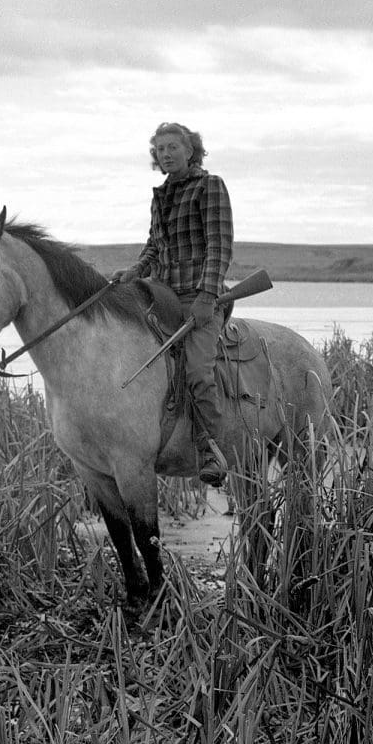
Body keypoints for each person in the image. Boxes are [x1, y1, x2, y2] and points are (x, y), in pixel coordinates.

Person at [111, 122, 234, 486]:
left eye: (172, 147)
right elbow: (154, 246)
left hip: (199, 297)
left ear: (190, 149)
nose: (165, 154)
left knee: (197, 369)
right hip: (162, 295)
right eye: (159, 149)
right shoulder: (161, 194)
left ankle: (211, 447)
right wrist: (135, 271)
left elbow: (220, 245)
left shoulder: (209, 186)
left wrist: (207, 297)